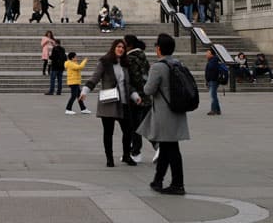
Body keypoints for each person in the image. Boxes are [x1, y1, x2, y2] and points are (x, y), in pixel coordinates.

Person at [80, 39, 143, 167]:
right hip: (109, 102)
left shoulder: (125, 64)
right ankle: (109, 158)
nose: (121, 49)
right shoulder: (105, 62)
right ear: (113, 47)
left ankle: (126, 155)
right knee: (108, 132)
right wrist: (85, 91)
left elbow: (128, 85)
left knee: (128, 131)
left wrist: (135, 96)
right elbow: (95, 78)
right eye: (118, 47)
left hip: (124, 102)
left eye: (123, 48)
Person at [139, 33, 190, 194]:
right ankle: (158, 180)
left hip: (164, 114)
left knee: (171, 149)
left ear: (159, 48)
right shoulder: (178, 64)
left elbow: (148, 90)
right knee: (168, 148)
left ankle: (177, 184)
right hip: (177, 110)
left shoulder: (158, 67)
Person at [123, 35, 151, 162]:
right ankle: (134, 150)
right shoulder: (143, 56)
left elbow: (134, 78)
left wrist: (134, 93)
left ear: (129, 45)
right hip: (146, 95)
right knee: (142, 124)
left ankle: (136, 151)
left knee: (135, 125)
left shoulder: (130, 58)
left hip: (136, 97)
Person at [204, 49, 224, 116]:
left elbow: (212, 70)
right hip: (211, 80)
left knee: (213, 96)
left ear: (211, 54)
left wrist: (210, 79)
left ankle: (213, 110)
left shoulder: (214, 61)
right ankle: (218, 110)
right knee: (214, 95)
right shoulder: (211, 60)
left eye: (207, 53)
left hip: (213, 80)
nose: (206, 54)